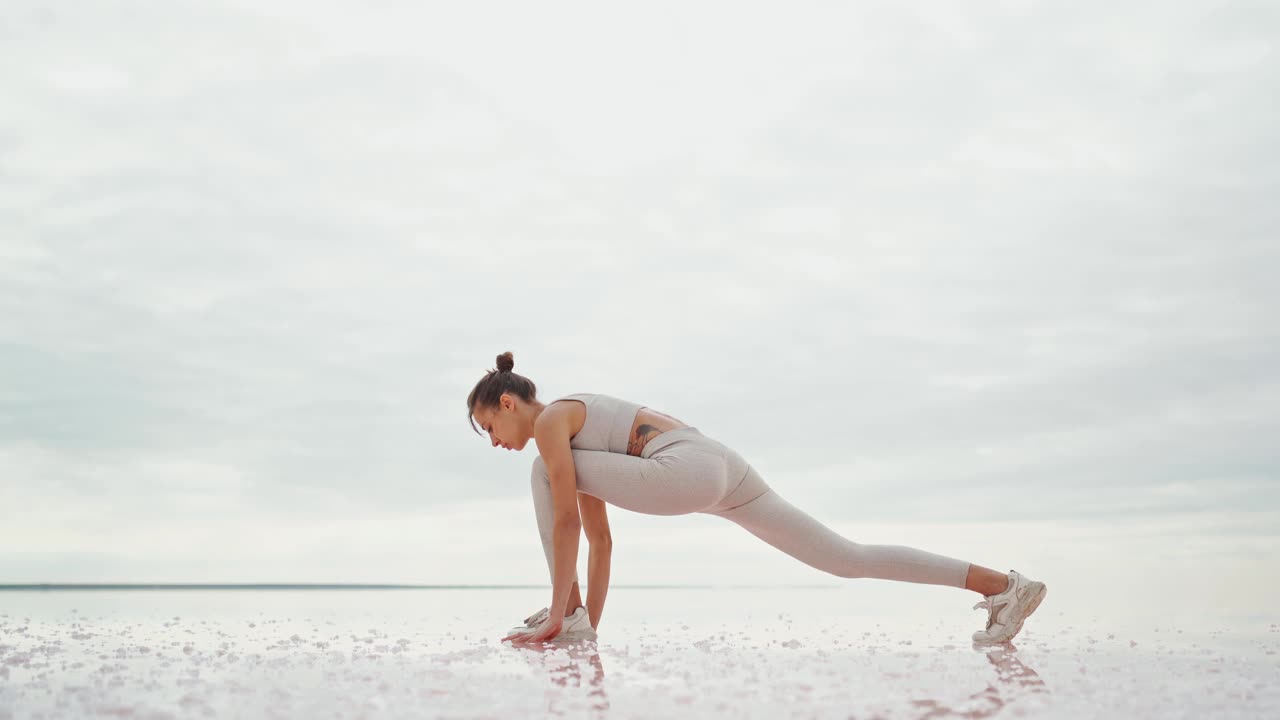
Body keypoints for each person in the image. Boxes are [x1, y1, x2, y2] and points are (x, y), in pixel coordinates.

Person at [468, 352, 1046, 646]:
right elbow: (598, 538)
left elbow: (566, 520)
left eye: (489, 426)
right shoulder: (577, 438)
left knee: (543, 472)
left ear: (510, 405)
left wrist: (559, 618)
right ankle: (1005, 587)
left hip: (685, 467)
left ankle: (563, 617)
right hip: (721, 463)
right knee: (847, 557)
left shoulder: (551, 429)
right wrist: (587, 621)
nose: (495, 441)